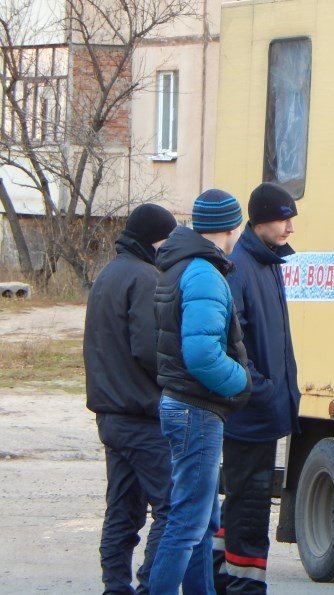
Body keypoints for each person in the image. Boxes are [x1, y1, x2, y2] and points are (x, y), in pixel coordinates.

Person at [149, 189, 252, 594]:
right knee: (188, 523)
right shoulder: (204, 273)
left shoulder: (183, 265)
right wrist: (243, 382)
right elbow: (202, 354)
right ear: (232, 226)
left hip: (181, 404)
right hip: (196, 409)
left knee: (201, 523)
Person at [84, 203, 177, 594]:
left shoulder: (107, 274)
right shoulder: (145, 278)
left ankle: (115, 586)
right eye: (167, 239)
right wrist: (178, 381)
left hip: (110, 414)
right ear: (154, 239)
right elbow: (148, 348)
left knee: (122, 509)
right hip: (141, 415)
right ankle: (149, 586)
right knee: (173, 509)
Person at [213, 183, 300, 594]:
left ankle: (217, 580)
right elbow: (233, 347)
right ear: (261, 218)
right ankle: (241, 588)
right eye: (285, 218)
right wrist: (262, 392)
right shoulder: (241, 267)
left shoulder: (267, 262)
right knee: (248, 511)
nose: (290, 228)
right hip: (248, 415)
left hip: (260, 413)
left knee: (239, 507)